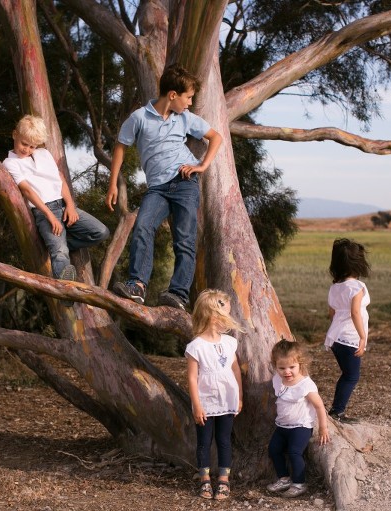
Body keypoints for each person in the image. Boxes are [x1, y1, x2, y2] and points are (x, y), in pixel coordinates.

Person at [106, 64, 222, 310]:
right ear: (172, 95)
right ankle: (137, 286)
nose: (190, 103)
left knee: (184, 240)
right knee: (143, 226)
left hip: (184, 183)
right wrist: (113, 183)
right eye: (188, 97)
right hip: (157, 188)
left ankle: (178, 294)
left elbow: (216, 137)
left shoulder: (185, 118)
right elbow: (120, 147)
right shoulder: (139, 118)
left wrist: (201, 165)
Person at [3, 115, 109, 287]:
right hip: (44, 211)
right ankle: (66, 288)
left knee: (101, 232)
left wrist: (70, 205)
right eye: (24, 144)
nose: (27, 149)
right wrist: (50, 216)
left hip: (63, 205)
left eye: (32, 146)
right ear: (15, 134)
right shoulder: (10, 163)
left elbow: (59, 178)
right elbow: (27, 190)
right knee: (60, 252)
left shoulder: (44, 154)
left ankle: (58, 244)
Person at [185, 289, 243, 500]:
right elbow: (192, 378)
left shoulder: (229, 342)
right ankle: (205, 480)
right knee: (204, 441)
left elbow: (235, 369)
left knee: (224, 439)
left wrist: (240, 396)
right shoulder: (196, 346)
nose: (230, 318)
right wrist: (197, 405)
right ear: (213, 316)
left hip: (227, 399)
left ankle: (224, 480)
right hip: (206, 402)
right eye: (226, 314)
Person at [267, 339, 330, 499]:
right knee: (273, 449)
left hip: (301, 427)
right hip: (282, 426)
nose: (287, 372)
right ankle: (284, 478)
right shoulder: (277, 379)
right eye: (282, 368)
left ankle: (299, 483)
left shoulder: (305, 385)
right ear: (276, 366)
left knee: (295, 452)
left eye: (292, 367)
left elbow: (319, 406)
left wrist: (323, 428)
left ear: (300, 364)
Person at [324, 238, 371, 424]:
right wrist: (362, 337)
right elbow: (355, 312)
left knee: (347, 374)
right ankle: (337, 412)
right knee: (351, 376)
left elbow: (332, 313)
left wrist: (337, 328)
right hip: (350, 337)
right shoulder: (357, 287)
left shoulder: (335, 287)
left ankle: (337, 410)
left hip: (335, 337)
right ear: (359, 263)